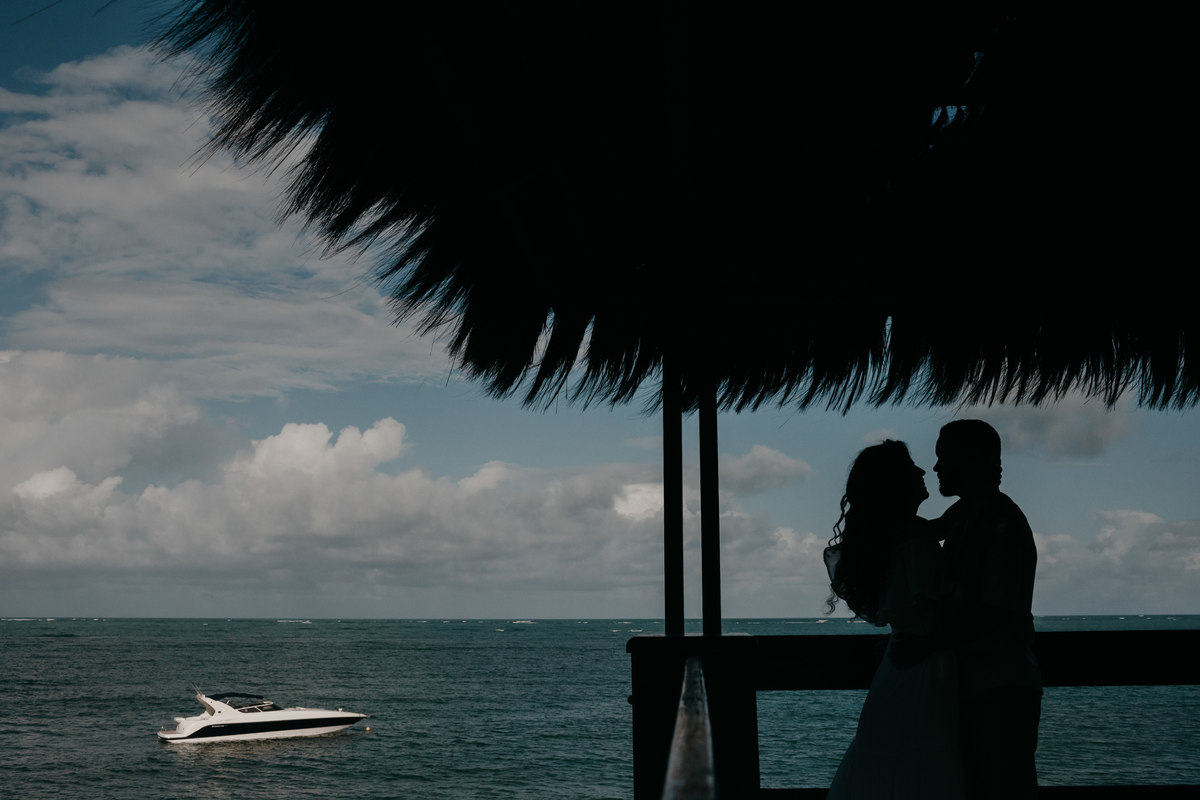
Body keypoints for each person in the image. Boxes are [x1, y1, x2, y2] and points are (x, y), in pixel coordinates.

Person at [824, 440, 963, 799]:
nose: (922, 471)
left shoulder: (896, 537)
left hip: (899, 664)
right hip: (925, 665)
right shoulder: (914, 540)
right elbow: (933, 615)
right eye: (911, 467)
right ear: (895, 483)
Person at [930, 419, 1041, 799]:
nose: (936, 467)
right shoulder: (970, 512)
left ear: (972, 460)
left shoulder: (999, 519)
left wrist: (926, 643)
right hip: (984, 681)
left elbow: (997, 611)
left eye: (945, 457)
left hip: (999, 685)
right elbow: (924, 532)